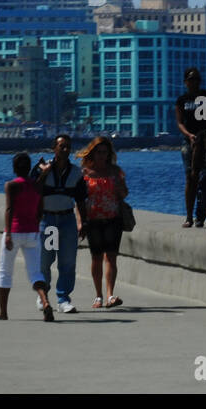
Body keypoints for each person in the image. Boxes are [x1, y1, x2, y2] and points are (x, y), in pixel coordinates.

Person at [0, 153, 55, 322]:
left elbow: (9, 210)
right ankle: (45, 301)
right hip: (32, 232)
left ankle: (3, 313)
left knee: (5, 272)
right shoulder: (37, 186)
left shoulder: (11, 185)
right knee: (36, 273)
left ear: (14, 168)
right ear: (29, 168)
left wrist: (8, 234)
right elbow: (40, 211)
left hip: (15, 231)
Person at [34, 133, 89, 313]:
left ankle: (63, 299)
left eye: (67, 146)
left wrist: (83, 222)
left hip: (66, 221)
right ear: (54, 148)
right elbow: (33, 191)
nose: (65, 150)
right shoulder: (42, 168)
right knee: (46, 260)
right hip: (49, 221)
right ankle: (44, 296)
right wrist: (44, 173)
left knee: (67, 261)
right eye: (61, 146)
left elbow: (81, 200)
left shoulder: (75, 173)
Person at [79, 136, 129, 308]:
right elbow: (78, 200)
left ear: (109, 154)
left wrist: (119, 188)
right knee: (96, 258)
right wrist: (80, 221)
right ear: (92, 153)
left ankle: (110, 294)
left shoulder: (115, 172)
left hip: (113, 218)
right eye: (98, 152)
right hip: (93, 219)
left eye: (104, 153)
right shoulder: (85, 173)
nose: (102, 156)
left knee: (111, 257)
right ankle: (98, 295)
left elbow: (124, 193)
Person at [175, 66, 206, 228]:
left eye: (196, 79)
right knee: (191, 177)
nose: (194, 82)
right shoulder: (182, 101)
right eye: (191, 79)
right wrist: (189, 135)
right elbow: (179, 123)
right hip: (190, 141)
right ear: (185, 82)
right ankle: (189, 216)